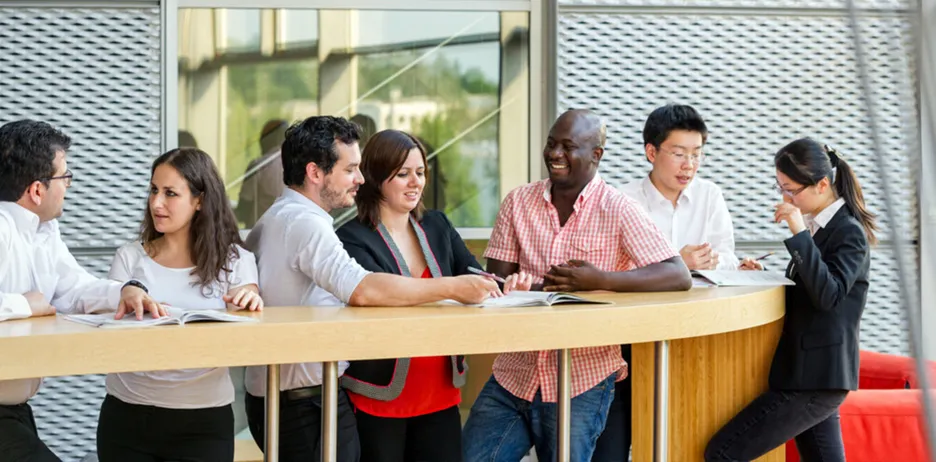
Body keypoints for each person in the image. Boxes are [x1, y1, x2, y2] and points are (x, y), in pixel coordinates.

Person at [243, 116, 500, 462]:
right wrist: (452, 287)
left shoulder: (281, 216)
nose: (359, 179)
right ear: (315, 173)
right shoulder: (306, 224)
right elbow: (363, 289)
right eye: (350, 169)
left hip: (295, 395)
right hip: (302, 400)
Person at [462, 109, 692, 462]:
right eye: (552, 144)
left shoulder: (618, 208)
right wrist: (517, 285)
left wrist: (599, 280)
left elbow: (677, 275)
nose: (555, 154)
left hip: (582, 380)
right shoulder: (517, 202)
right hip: (514, 373)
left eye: (568, 146)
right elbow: (497, 281)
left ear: (596, 155)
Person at [336, 129, 533, 462]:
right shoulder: (351, 237)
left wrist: (501, 287)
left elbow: (473, 274)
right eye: (402, 174)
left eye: (420, 172)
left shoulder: (437, 225)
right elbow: (374, 295)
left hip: (440, 391)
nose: (415, 182)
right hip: (379, 392)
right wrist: (453, 288)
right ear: (376, 176)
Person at [704, 139, 876, 462]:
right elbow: (810, 289)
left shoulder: (848, 232)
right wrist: (763, 274)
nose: (785, 198)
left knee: (722, 452)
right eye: (780, 187)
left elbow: (829, 295)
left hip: (816, 378)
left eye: (792, 190)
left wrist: (798, 232)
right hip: (807, 374)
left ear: (822, 184)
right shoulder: (819, 229)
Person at [0, 119, 160, 462]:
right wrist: (25, 304)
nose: (69, 186)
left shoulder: (44, 231)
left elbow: (74, 288)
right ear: (37, 190)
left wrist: (125, 290)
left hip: (16, 411)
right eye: (65, 176)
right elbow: (36, 303)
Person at [96, 147, 263, 462]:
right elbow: (111, 339)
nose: (156, 203)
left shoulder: (235, 260)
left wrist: (250, 300)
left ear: (199, 200)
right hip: (128, 418)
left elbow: (247, 312)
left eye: (170, 193)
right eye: (154, 190)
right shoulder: (130, 257)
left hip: (203, 421)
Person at [596, 104, 739, 461]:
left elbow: (728, 258)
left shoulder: (710, 196)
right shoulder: (621, 199)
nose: (688, 165)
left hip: (694, 339)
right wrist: (679, 262)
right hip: (630, 340)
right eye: (678, 154)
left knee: (684, 438)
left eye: (696, 155)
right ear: (651, 152)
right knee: (614, 443)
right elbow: (610, 269)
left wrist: (714, 262)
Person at [236, 119, 289, 228]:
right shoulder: (298, 166)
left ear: (266, 140)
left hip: (258, 237)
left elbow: (242, 212)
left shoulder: (258, 166)